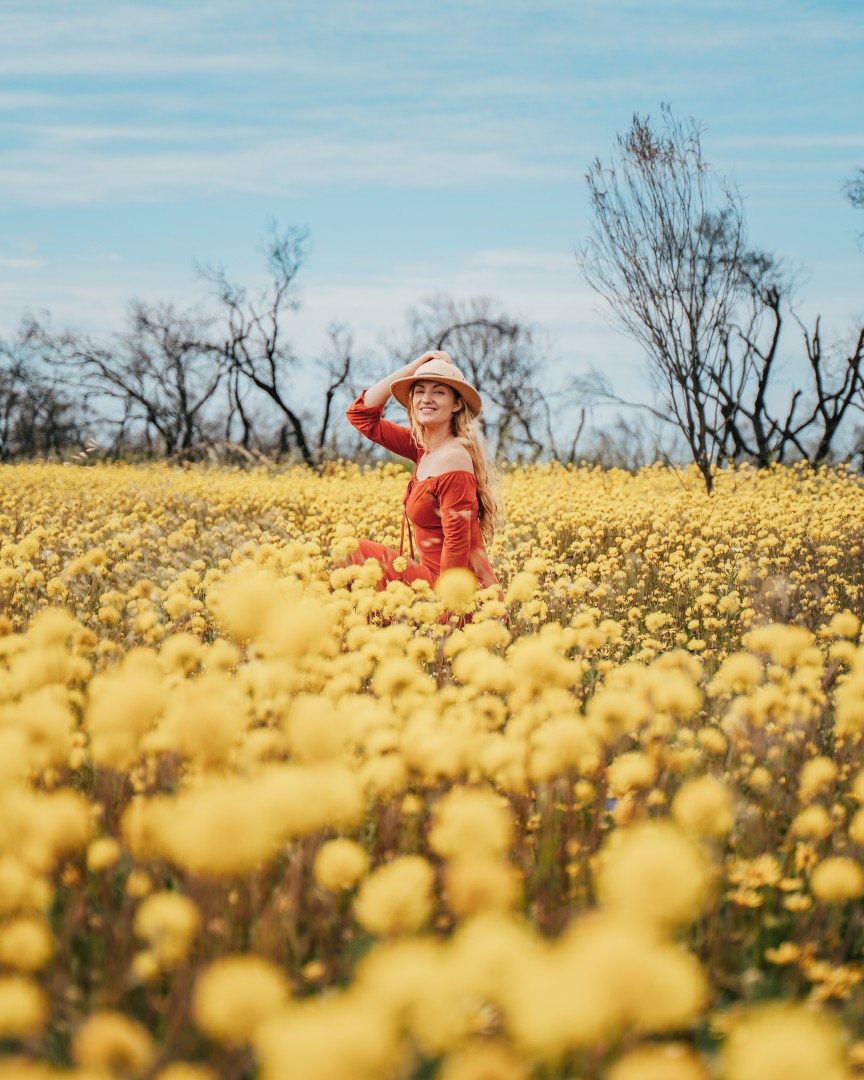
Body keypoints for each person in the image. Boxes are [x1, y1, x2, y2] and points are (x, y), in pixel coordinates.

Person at [345, 350, 501, 591]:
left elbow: (456, 544)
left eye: (438, 392)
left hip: (460, 591)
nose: (426, 399)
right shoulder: (423, 449)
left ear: (457, 404)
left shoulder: (453, 458)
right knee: (351, 555)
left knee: (354, 551)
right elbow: (362, 416)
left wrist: (445, 612)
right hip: (432, 580)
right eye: (419, 391)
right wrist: (410, 368)